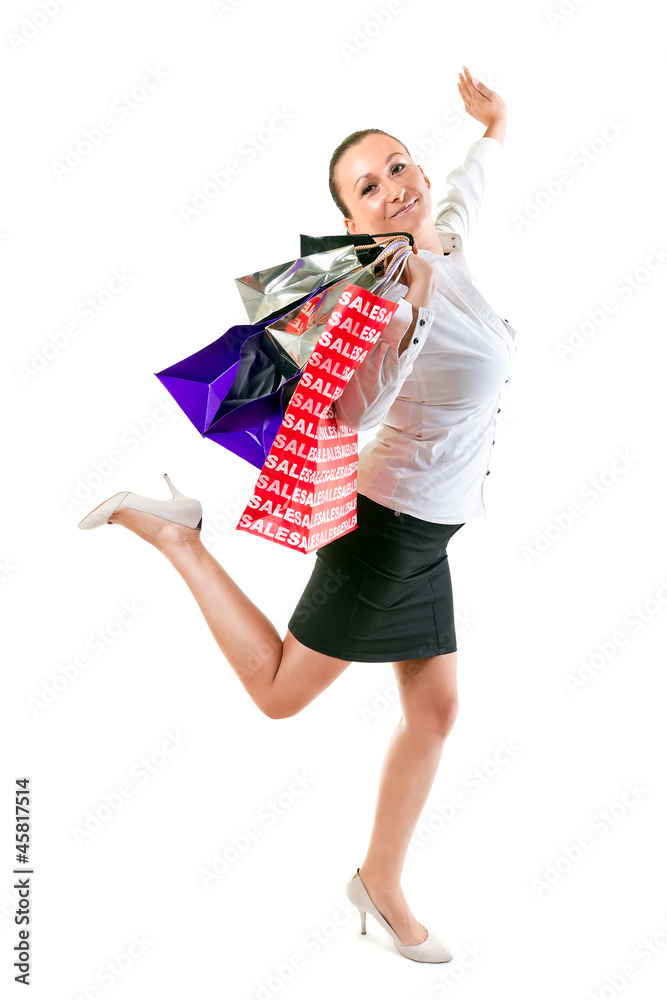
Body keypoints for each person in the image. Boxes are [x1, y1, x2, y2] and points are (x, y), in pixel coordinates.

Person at [78, 66, 517, 964]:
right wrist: (412, 321)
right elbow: (351, 414)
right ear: (353, 224)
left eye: (399, 167)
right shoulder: (391, 296)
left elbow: (470, 189)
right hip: (387, 531)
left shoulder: (447, 244)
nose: (394, 186)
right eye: (368, 187)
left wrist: (493, 127)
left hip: (429, 533)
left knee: (433, 710)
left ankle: (379, 884)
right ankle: (174, 535)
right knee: (280, 693)